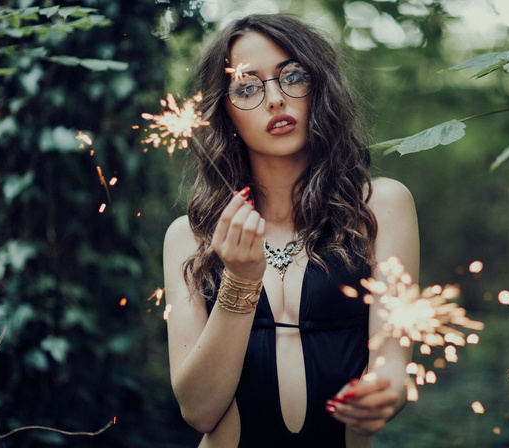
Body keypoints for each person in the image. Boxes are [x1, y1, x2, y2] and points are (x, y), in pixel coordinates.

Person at [163, 13, 419, 448]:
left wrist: (382, 395)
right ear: (223, 111)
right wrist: (240, 282)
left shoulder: (380, 208)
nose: (275, 99)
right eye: (247, 87)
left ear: (320, 88)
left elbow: (391, 363)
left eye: (293, 76)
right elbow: (198, 409)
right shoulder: (190, 237)